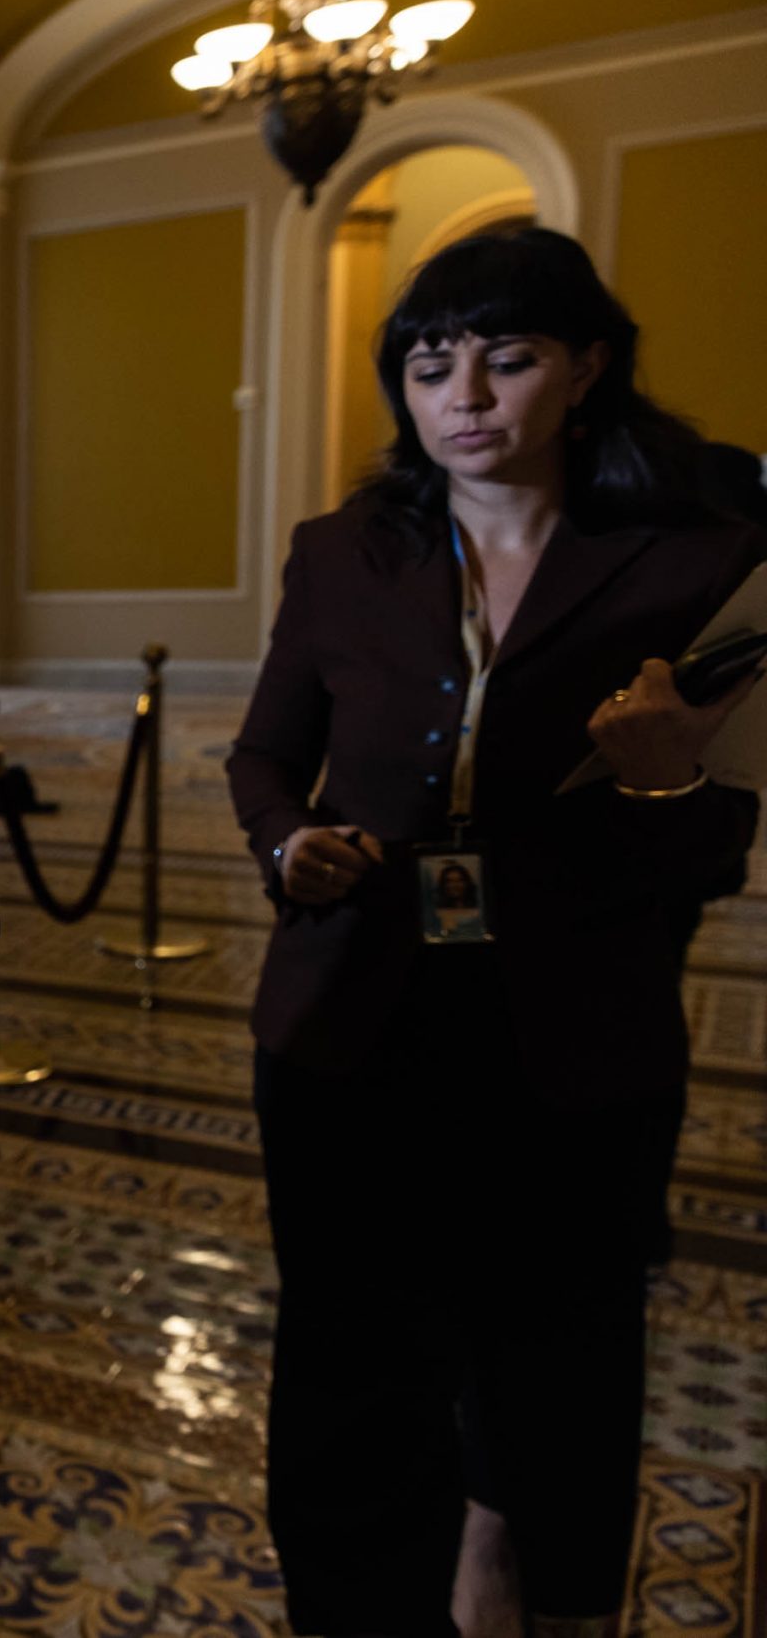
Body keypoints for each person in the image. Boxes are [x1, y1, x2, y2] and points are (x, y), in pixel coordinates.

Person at [228, 225, 764, 1635]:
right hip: (349, 1019)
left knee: (562, 1345)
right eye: (428, 366)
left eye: (506, 359)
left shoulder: (695, 564)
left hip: (577, 1031)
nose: (462, 395)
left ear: (587, 368)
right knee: (351, 1353)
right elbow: (266, 755)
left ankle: (526, 1559)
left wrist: (666, 779)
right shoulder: (342, 551)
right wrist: (289, 843)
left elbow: (716, 851)